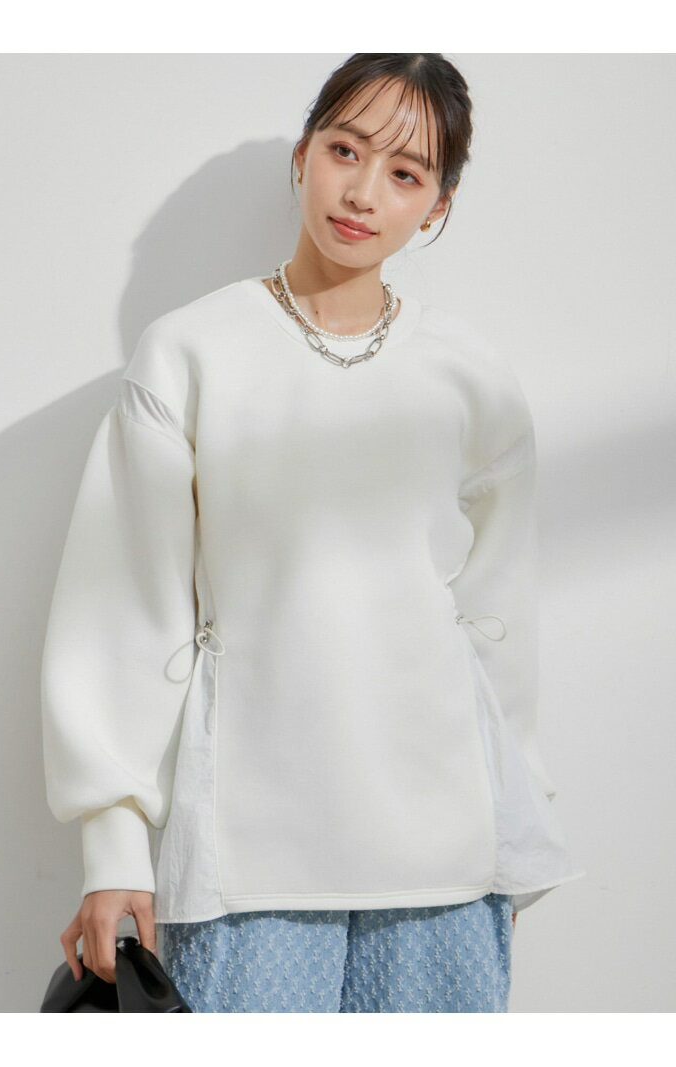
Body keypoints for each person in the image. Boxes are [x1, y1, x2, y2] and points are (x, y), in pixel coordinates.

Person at [40, 53, 585, 1013]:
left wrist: (517, 818)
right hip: (251, 853)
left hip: (445, 856)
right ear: (303, 154)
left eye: (406, 173)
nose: (364, 192)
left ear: (439, 206)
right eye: (345, 150)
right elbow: (127, 602)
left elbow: (499, 619)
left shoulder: (471, 375)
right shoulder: (190, 352)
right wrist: (113, 841)